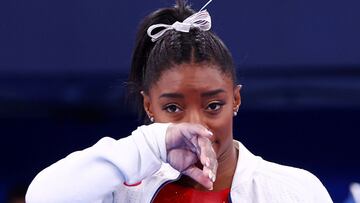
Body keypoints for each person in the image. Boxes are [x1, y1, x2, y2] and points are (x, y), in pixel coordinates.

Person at [25, 0, 333, 202]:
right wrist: (147, 147)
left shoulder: (293, 191)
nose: (195, 125)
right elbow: (41, 197)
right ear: (149, 108)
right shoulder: (123, 188)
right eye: (173, 108)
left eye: (213, 105)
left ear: (236, 99)